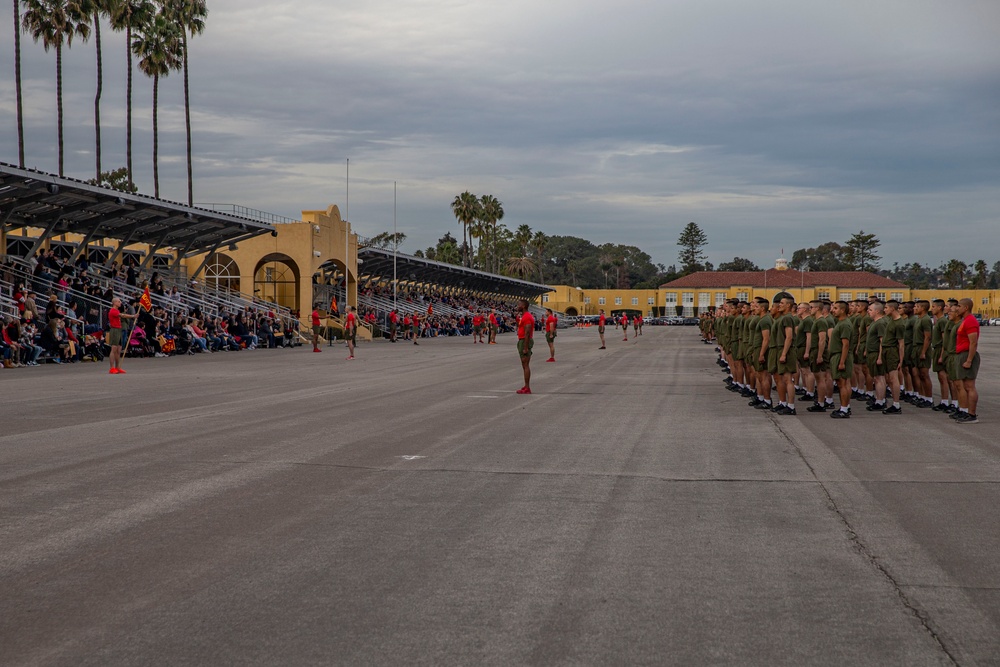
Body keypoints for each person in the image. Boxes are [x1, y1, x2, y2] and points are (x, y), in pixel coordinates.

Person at [954, 298, 980, 423]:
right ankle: (967, 412)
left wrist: (969, 360)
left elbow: (973, 342)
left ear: (966, 308)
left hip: (967, 355)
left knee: (970, 386)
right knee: (965, 385)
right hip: (962, 354)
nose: (956, 308)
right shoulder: (965, 321)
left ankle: (972, 414)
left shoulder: (970, 321)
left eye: (959, 306)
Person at [828, 301, 855, 418]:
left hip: (841, 355)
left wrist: (842, 361)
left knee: (842, 383)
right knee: (844, 383)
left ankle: (844, 409)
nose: (833, 310)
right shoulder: (841, 323)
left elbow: (845, 344)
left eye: (835, 308)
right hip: (839, 355)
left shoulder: (844, 324)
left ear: (843, 310)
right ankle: (845, 407)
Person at [107, 297, 138, 374]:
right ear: (114, 303)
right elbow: (122, 315)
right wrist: (132, 316)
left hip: (119, 329)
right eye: (118, 301)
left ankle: (117, 367)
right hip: (115, 330)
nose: (120, 302)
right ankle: (112, 368)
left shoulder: (116, 310)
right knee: (113, 349)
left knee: (118, 350)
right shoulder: (113, 310)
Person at [515, 299, 535, 394]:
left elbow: (527, 332)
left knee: (525, 364)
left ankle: (527, 387)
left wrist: (525, 347)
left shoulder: (527, 317)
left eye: (519, 305)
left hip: (524, 341)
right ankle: (526, 385)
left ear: (523, 306)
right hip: (522, 340)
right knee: (524, 365)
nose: (517, 306)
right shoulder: (524, 316)